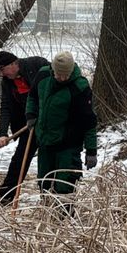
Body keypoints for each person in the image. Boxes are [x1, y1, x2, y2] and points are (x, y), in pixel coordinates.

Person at [25, 51, 97, 212]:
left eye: (66, 75)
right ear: (53, 69)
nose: (62, 78)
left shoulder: (80, 87)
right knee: (44, 182)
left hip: (68, 145)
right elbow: (33, 97)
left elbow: (89, 121)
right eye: (59, 74)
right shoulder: (43, 75)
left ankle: (64, 220)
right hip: (44, 141)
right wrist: (30, 114)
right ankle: (47, 215)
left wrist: (91, 150)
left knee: (64, 185)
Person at [0, 50, 50, 203]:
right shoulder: (7, 81)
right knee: (20, 159)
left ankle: (50, 198)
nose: (2, 74)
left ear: (13, 64)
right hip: (27, 126)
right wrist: (3, 133)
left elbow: (54, 91)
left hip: (49, 125)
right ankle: (7, 195)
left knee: (48, 161)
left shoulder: (38, 65)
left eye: (3, 70)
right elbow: (6, 106)